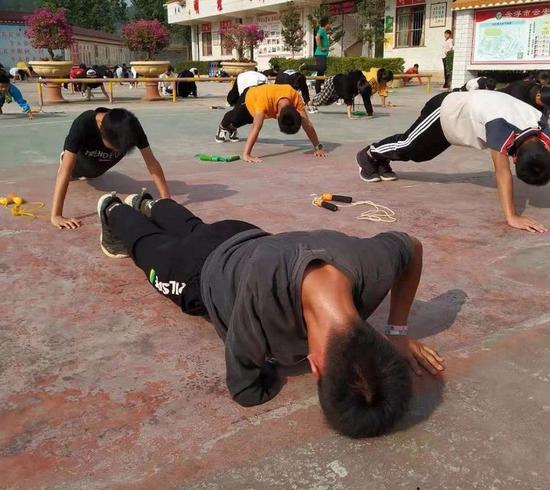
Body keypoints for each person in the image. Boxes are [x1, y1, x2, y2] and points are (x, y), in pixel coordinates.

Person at [95, 189, 445, 438]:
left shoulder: (372, 266)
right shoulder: (262, 299)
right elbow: (244, 386)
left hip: (244, 233)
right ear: (315, 366)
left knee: (196, 228)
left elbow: (411, 247)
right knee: (149, 250)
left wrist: (398, 332)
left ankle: (153, 204)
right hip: (196, 273)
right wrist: (267, 381)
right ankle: (115, 210)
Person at [355, 91, 550, 233]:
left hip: (460, 121)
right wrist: (512, 217)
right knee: (409, 146)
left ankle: (382, 160)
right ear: (515, 158)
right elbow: (502, 172)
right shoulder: (501, 128)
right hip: (445, 110)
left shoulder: (541, 124)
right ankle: (370, 155)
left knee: (422, 155)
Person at [51, 108, 171, 230]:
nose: (117, 151)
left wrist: (166, 199)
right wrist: (56, 215)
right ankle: (66, 158)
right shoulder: (83, 123)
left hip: (100, 166)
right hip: (81, 160)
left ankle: (96, 166)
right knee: (79, 171)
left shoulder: (131, 127)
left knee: (95, 172)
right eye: (114, 148)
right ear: (101, 133)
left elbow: (151, 162)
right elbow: (64, 172)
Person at [215, 83, 327, 163]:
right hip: (250, 97)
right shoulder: (264, 101)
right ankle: (223, 125)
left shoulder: (296, 99)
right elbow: (256, 127)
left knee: (245, 121)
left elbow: (307, 124)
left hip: (264, 99)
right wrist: (246, 154)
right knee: (235, 118)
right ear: (277, 115)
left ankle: (233, 127)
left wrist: (318, 147)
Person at [307, 70, 371, 118]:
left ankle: (312, 102)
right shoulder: (346, 85)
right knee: (323, 100)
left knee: (330, 102)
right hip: (332, 83)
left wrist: (370, 112)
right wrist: (349, 115)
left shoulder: (364, 83)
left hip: (340, 87)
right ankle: (310, 102)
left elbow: (366, 98)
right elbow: (348, 100)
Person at [299, 16, 331, 94]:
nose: (330, 25)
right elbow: (317, 38)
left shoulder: (324, 31)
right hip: (320, 54)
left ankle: (318, 92)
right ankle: (305, 66)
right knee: (322, 67)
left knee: (320, 74)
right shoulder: (322, 30)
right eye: (329, 24)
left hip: (322, 54)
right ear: (326, 24)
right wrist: (321, 47)